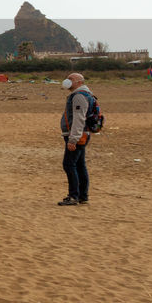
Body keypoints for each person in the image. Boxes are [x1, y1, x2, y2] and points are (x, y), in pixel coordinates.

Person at [58, 72, 94, 206]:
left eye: (70, 79)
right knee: (79, 165)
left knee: (69, 164)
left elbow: (79, 118)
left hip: (77, 136)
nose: (67, 81)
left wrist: (73, 139)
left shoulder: (79, 96)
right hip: (81, 134)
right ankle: (82, 196)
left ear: (79, 82)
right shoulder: (82, 95)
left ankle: (74, 196)